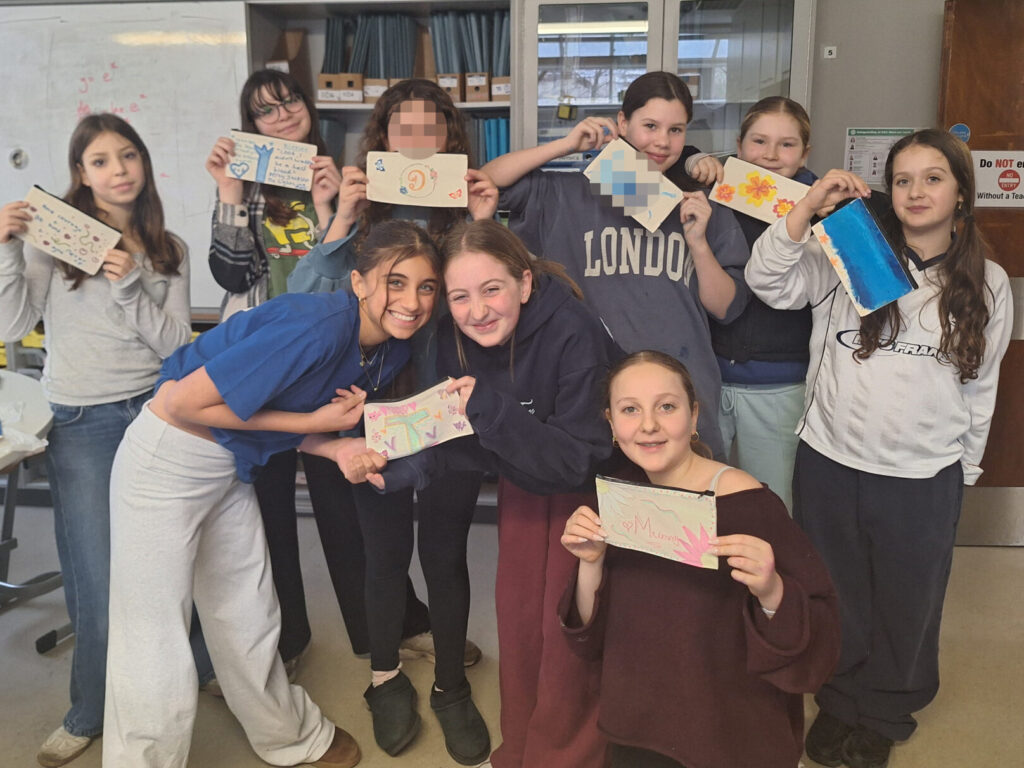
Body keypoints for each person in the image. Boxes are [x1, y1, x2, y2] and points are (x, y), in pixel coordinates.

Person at [102, 219, 442, 767]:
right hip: (168, 458)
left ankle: (287, 735)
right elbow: (181, 403)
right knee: (154, 632)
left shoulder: (389, 348)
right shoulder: (317, 327)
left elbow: (272, 411)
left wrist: (333, 447)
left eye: (426, 287)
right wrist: (316, 423)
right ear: (357, 282)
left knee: (249, 611)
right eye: (395, 282)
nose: (411, 301)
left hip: (232, 462)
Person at [746, 129, 1012, 768]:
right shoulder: (847, 249)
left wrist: (964, 468)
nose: (916, 191)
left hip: (922, 472)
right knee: (837, 589)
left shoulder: (987, 281)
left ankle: (888, 708)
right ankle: (839, 699)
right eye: (902, 180)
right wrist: (807, 209)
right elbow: (767, 282)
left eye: (933, 178)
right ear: (886, 191)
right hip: (832, 459)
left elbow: (983, 384)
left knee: (907, 599)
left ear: (960, 193)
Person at [347, 220, 618, 768]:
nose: (477, 311)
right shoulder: (452, 336)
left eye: (491, 290)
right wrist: (400, 472)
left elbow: (573, 462)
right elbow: (462, 442)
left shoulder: (573, 330)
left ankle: (568, 750)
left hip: (588, 494)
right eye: (459, 296)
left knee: (570, 628)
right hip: (524, 481)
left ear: (523, 282)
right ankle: (523, 738)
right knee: (520, 620)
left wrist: (490, 412)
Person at [284, 78, 497, 760]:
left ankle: (451, 690)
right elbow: (304, 298)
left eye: (429, 127)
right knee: (383, 557)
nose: (414, 139)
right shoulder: (365, 214)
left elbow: (494, 302)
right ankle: (384, 677)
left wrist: (486, 222)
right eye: (400, 127)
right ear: (381, 139)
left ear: (449, 140)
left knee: (445, 554)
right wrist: (341, 218)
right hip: (378, 416)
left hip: (453, 413)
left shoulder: (461, 214)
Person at [0, 114, 209, 767]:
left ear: (143, 165)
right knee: (96, 574)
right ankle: (89, 709)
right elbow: (12, 322)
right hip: (82, 422)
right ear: (80, 174)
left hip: (155, 413)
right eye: (99, 160)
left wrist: (128, 285)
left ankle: (196, 671)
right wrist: (6, 248)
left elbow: (177, 348)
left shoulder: (165, 246)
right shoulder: (51, 241)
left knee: (177, 561)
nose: (117, 169)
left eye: (128, 156)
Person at [559, 350, 841, 768]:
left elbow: (820, 628)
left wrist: (772, 590)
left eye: (666, 407)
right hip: (640, 726)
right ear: (613, 425)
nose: (649, 425)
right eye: (630, 410)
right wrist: (591, 563)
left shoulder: (748, 504)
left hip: (727, 731)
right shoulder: (621, 502)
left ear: (693, 417)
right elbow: (590, 637)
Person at [481, 70, 749, 461]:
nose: (662, 141)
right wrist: (566, 145)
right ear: (623, 123)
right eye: (650, 126)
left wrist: (698, 244)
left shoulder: (701, 203)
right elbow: (486, 183)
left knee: (686, 510)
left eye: (676, 130)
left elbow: (727, 308)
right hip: (593, 389)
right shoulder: (571, 193)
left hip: (683, 390)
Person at [204, 68, 345, 672]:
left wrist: (326, 206)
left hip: (322, 361)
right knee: (268, 514)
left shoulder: (333, 175)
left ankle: (385, 630)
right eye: (266, 111)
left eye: (290, 102)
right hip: (264, 366)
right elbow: (231, 276)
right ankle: (287, 639)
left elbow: (341, 273)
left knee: (343, 504)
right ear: (252, 125)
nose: (283, 115)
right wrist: (229, 192)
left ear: (306, 107)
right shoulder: (246, 186)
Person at [709, 96, 818, 511]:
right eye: (759, 141)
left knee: (770, 506)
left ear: (805, 152)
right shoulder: (717, 193)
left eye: (786, 144)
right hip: (708, 373)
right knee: (697, 500)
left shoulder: (820, 205)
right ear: (739, 146)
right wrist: (697, 162)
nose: (770, 155)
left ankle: (771, 579)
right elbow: (664, 170)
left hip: (780, 383)